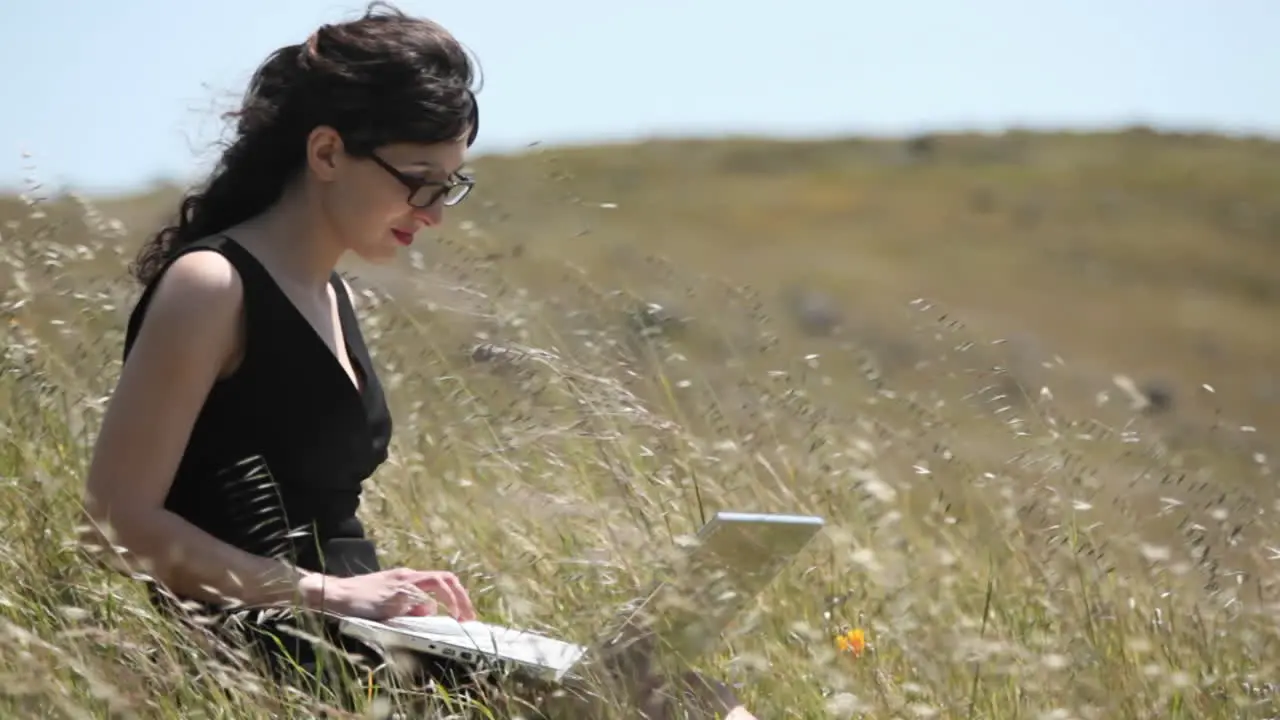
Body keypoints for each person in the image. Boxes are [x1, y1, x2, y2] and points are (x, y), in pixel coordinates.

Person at [78, 3, 758, 718]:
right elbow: (115, 522)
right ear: (327, 153)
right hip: (267, 649)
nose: (434, 212)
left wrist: (378, 601)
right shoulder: (211, 286)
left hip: (365, 636)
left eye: (451, 184)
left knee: (689, 695)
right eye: (419, 180)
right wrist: (327, 592)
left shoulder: (328, 292)